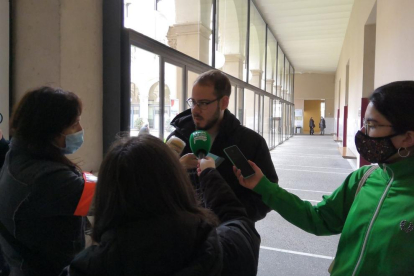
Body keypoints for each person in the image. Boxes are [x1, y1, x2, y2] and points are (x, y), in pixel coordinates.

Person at [233, 80, 414, 275]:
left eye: (372, 125)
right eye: (364, 123)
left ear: (407, 138)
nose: (363, 132)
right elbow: (317, 219)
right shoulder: (364, 178)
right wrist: (263, 186)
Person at [63, 135, 260, 276]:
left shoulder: (84, 268)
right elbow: (237, 219)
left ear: (107, 195)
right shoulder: (227, 249)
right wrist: (209, 174)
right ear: (178, 184)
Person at [0, 87, 95, 276]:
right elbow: (109, 198)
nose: (81, 130)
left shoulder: (19, 154)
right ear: (49, 130)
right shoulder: (46, 179)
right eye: (74, 124)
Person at [167, 69, 278, 222]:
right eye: (193, 102)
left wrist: (232, 218)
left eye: (204, 103)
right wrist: (176, 169)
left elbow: (265, 197)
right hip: (185, 234)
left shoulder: (249, 143)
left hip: (228, 235)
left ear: (224, 102)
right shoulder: (178, 139)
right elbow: (160, 186)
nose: (195, 110)